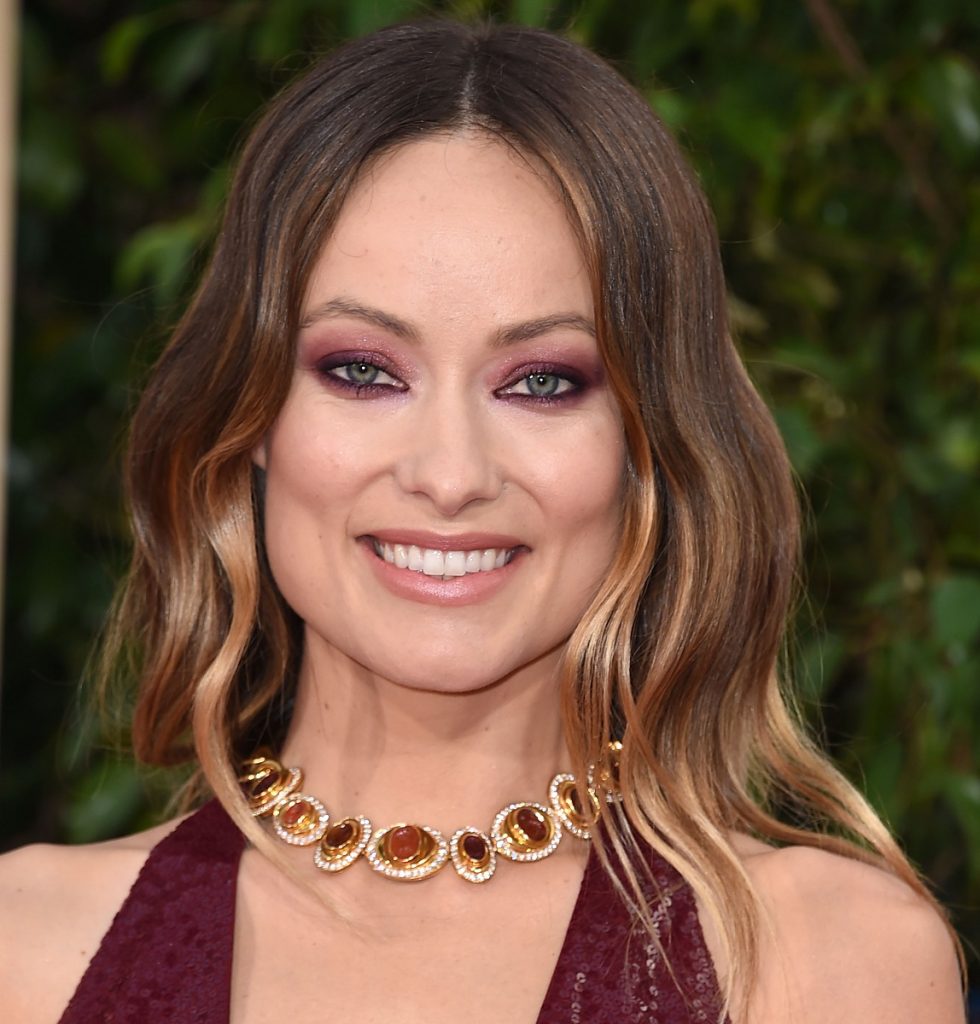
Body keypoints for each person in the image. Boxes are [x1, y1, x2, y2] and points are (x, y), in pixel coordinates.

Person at [0, 19, 965, 1024]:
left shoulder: (823, 961)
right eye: (361, 371)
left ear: (644, 442)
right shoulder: (26, 951)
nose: (449, 475)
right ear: (250, 416)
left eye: (542, 382)